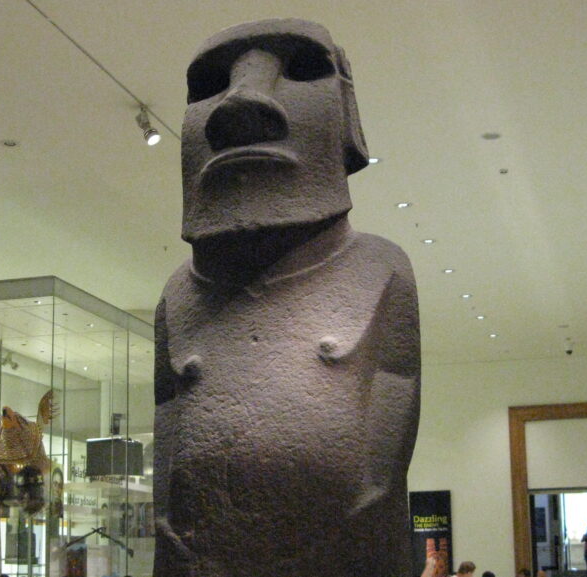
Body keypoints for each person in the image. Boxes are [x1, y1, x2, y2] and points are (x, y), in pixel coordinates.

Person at [154, 18, 420, 577]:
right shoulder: (180, 292)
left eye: (301, 70)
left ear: (347, 116)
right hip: (200, 551)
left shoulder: (379, 266)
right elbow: (168, 417)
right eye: (209, 84)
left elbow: (394, 387)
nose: (241, 104)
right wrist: (167, 522)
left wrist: (367, 501)